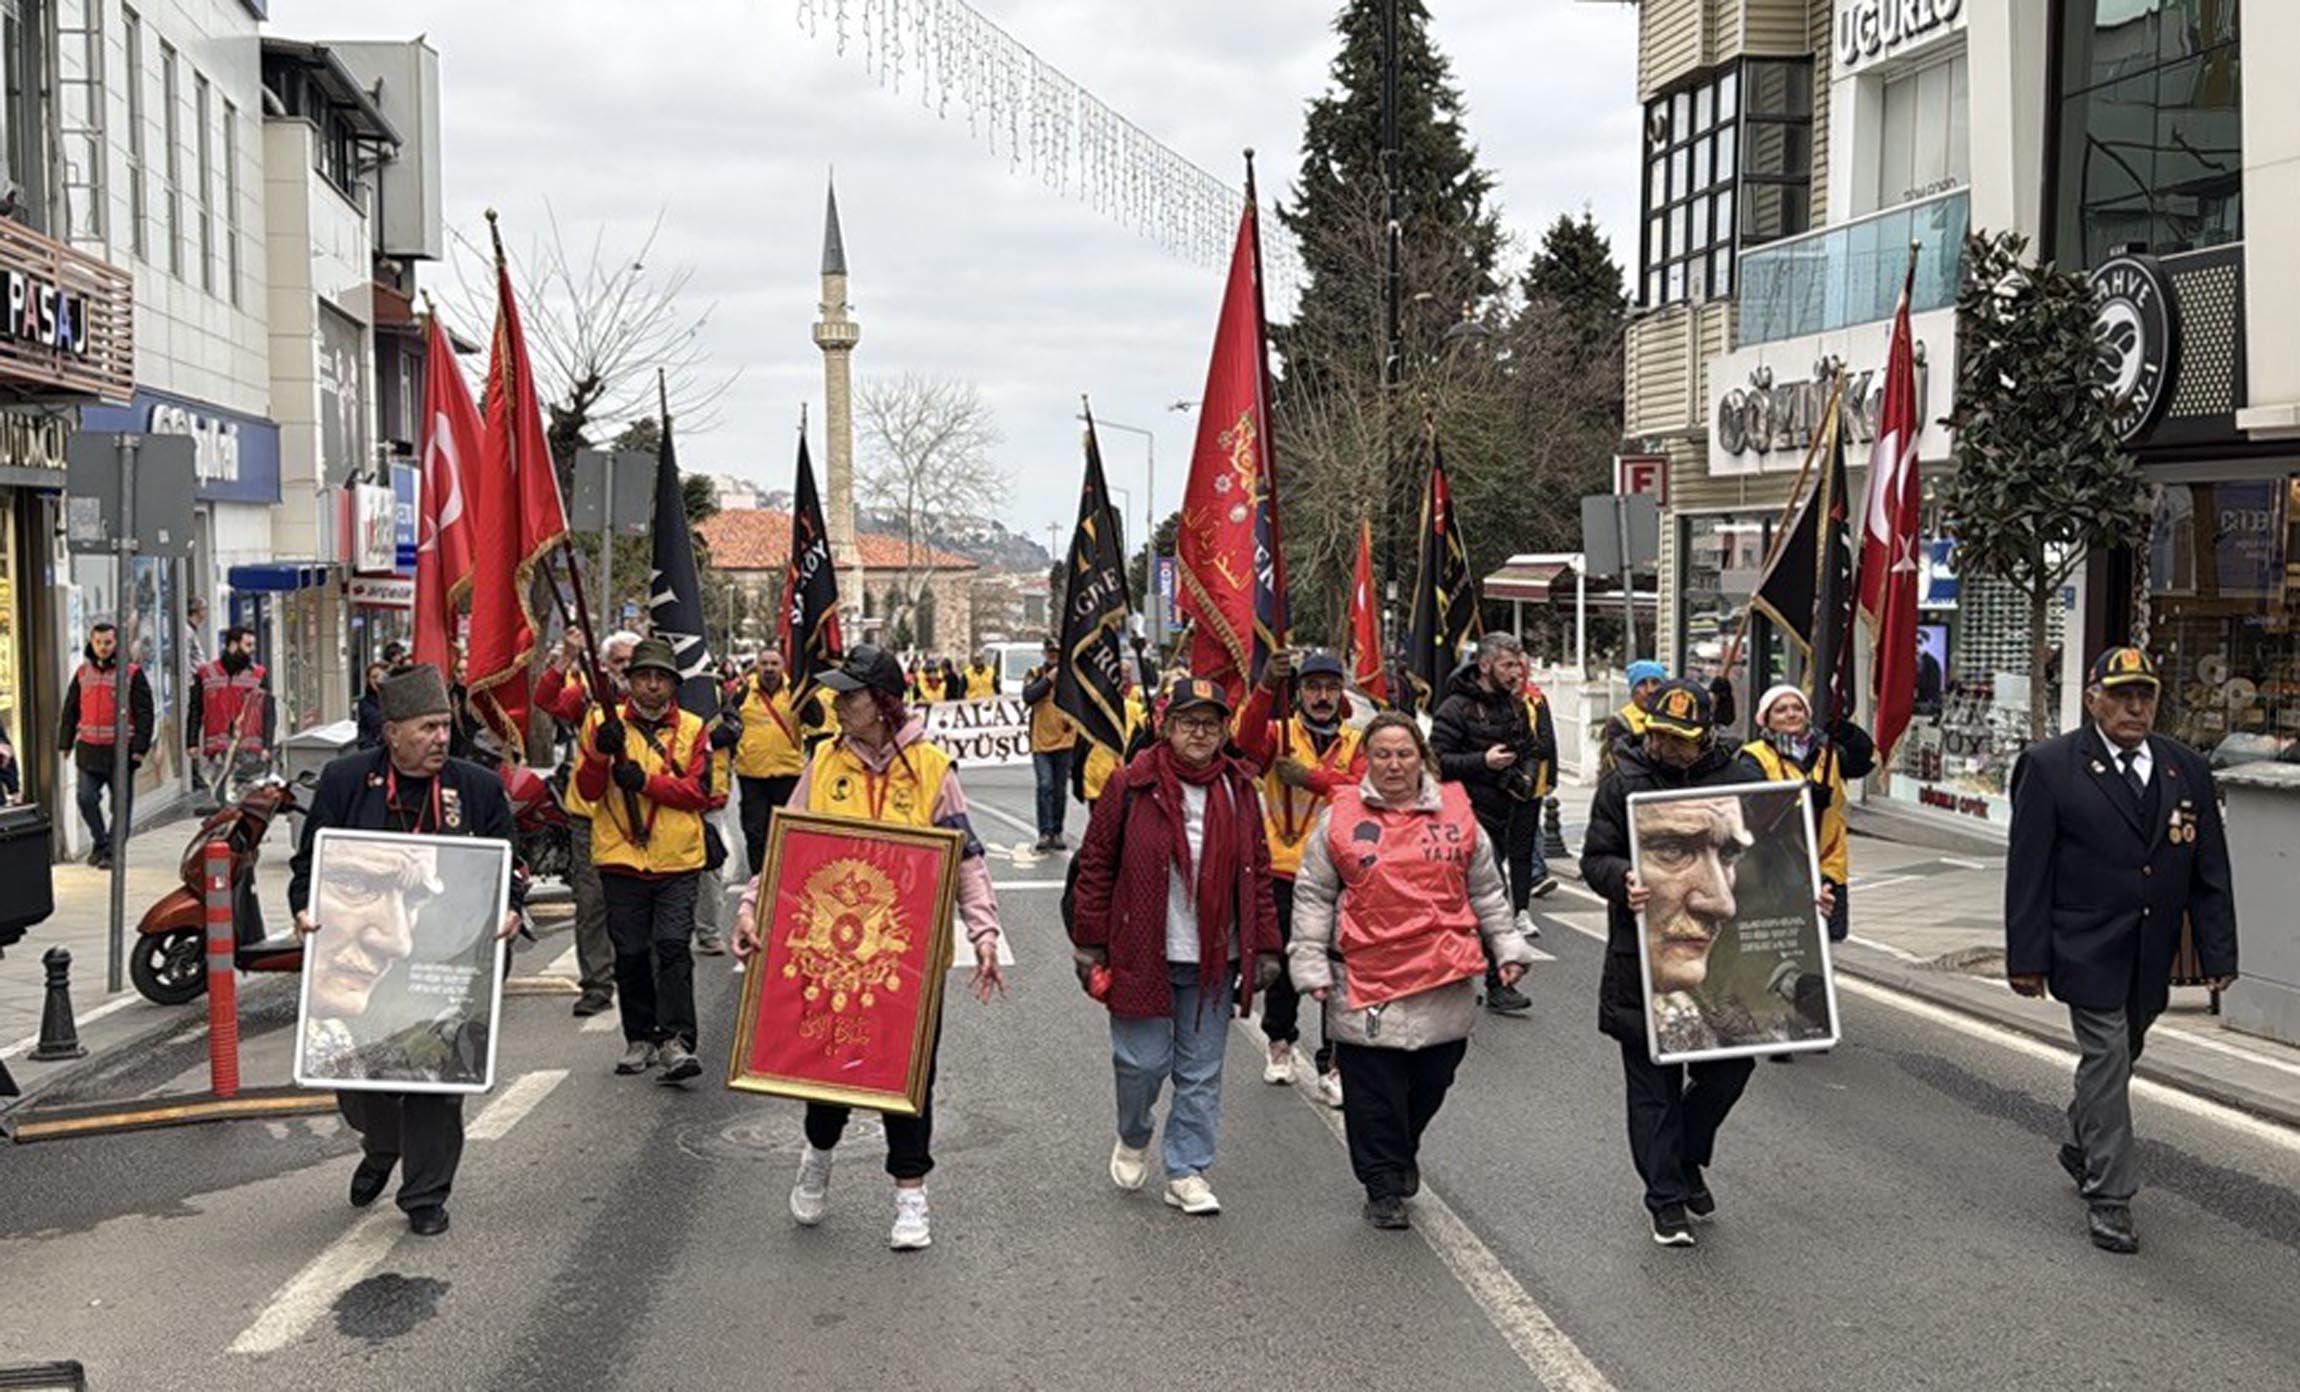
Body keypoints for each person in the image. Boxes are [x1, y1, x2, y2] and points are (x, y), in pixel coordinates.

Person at [732, 643, 1007, 1251]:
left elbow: (967, 857)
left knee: (910, 1078)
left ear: (882, 703)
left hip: (907, 961)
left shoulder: (933, 768)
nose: (837, 704)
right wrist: (751, 906)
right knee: (827, 1068)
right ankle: (818, 1154)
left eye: (849, 695)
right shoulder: (823, 763)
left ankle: (911, 1194)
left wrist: (984, 932)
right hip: (832, 953)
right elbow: (786, 849)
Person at [2006, 646, 2238, 1255]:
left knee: (2121, 1052)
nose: (2135, 708)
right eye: (2121, 695)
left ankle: (2081, 1138)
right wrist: (2026, 958)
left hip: (2151, 949)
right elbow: (2028, 870)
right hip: (2084, 945)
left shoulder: (2186, 768)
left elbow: (2210, 870)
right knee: (2108, 1055)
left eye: (2145, 695)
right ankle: (2111, 1195)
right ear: (2093, 701)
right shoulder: (2050, 767)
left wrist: (2218, 954)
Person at [1582, 678, 1822, 1248]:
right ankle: (1666, 1198)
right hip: (1644, 957)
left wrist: (1808, 897)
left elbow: (1773, 860)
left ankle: (1686, 1154)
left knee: (1730, 1069)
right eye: (1659, 735)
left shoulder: (1740, 779)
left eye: (1681, 740)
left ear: (1707, 736)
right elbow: (1595, 857)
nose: (1667, 747)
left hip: (1723, 958)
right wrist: (1622, 879)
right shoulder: (1623, 781)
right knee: (1653, 1086)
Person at [288, 664, 521, 1237]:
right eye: (426, 728)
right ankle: (382, 1146)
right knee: (359, 1075)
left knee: (436, 1078)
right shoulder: (346, 781)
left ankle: (425, 1196)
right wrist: (303, 909)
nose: (440, 738)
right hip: (367, 959)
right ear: (392, 733)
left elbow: (508, 867)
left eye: (445, 726)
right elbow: (310, 865)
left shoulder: (478, 787)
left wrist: (512, 907)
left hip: (448, 961)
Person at [1287, 713, 1534, 1228]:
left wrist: (1507, 947)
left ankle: (1401, 1149)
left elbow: (1486, 890)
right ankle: (1382, 1184)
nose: (1394, 764)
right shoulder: (1340, 819)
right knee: (1372, 1092)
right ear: (1367, 760)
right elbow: (1314, 895)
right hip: (1365, 978)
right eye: (1382, 754)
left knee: (1432, 1078)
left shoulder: (1457, 817)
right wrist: (1309, 962)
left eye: (1404, 754)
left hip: (1442, 976)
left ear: (1422, 757)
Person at [1067, 674, 1281, 1218]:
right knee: (1141, 1064)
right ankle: (1134, 1132)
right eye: (1188, 723)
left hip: (1213, 958)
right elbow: (1096, 865)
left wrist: (1266, 946)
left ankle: (1187, 1170)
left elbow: (1256, 872)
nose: (1199, 733)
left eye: (1210, 724)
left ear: (1224, 732)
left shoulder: (1239, 789)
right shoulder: (1130, 784)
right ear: (1166, 727)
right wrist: (1089, 942)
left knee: (1201, 1073)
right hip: (1142, 951)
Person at [574, 637, 713, 1084]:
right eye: (643, 677)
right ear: (629, 681)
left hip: (677, 859)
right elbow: (588, 790)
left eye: (661, 678)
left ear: (673, 684)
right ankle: (640, 1037)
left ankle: (677, 1040)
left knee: (672, 947)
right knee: (630, 952)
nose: (652, 685)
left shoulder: (693, 727)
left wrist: (647, 783)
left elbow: (700, 792)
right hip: (621, 857)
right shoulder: (601, 720)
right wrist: (600, 753)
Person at [1235, 648, 1365, 1105]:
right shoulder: (1278, 733)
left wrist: (1310, 778)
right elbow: (1244, 745)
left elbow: (1365, 792)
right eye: (1312, 687)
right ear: (1299, 694)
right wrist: (1266, 685)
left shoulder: (1356, 742)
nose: (1322, 696)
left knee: (1338, 970)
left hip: (1340, 874)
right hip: (1285, 869)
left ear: (1341, 692)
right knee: (1286, 968)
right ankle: (1280, 1042)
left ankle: (1334, 1062)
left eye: (1330, 687)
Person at [1428, 632, 1553, 1015]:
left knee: (1487, 901)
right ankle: (1491, 983)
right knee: (1486, 899)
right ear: (1485, 666)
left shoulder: (1514, 706)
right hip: (1462, 819)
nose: (1516, 672)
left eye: (1518, 664)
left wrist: (1524, 777)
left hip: (1503, 814)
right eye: (1507, 665)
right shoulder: (1455, 708)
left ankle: (1487, 981)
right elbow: (1436, 762)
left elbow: (1529, 747)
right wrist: (1482, 762)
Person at [535, 629, 638, 1018]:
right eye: (618, 661)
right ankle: (596, 985)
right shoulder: (587, 699)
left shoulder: (656, 698)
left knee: (635, 905)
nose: (626, 669)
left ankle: (637, 980)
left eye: (631, 661)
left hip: (639, 817)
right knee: (592, 903)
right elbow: (545, 700)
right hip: (591, 818)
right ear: (605, 665)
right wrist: (566, 657)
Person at [1736, 686, 1874, 949]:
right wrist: (1805, 803)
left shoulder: (1827, 750)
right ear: (1766, 719)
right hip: (1779, 868)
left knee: (1824, 945)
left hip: (1827, 864)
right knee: (1786, 942)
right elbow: (1755, 812)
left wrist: (1848, 733)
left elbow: (1863, 762)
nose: (1791, 714)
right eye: (1781, 710)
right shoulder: (1754, 758)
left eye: (1797, 708)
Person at [57, 622, 154, 868]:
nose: (103, 647)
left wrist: (140, 749)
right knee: (86, 799)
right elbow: (70, 710)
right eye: (98, 642)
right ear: (91, 642)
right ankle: (100, 841)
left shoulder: (131, 673)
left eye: (108, 642)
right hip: (89, 750)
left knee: (119, 807)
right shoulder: (82, 673)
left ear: (116, 643)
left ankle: (113, 852)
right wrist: (65, 742)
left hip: (121, 752)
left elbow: (144, 713)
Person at [729, 647, 806, 877]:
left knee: (788, 834)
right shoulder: (743, 693)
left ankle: (786, 878)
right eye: (764, 664)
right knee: (756, 833)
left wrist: (807, 694)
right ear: (757, 666)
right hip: (752, 775)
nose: (769, 669)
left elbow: (816, 720)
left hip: (788, 774)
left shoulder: (795, 691)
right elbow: (729, 722)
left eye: (774, 664)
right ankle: (759, 881)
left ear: (783, 667)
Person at [187, 625, 272, 794]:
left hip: (249, 748)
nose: (252, 650)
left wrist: (268, 745)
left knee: (245, 796)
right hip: (217, 748)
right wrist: (192, 741)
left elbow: (268, 713)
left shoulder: (258, 674)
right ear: (233, 645)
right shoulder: (205, 673)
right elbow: (196, 709)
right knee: (221, 796)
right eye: (248, 645)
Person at [1020, 638, 1077, 852]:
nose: (1053, 655)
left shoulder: (1070, 677)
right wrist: (1049, 680)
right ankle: (1044, 832)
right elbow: (1029, 696)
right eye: (1050, 652)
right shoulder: (1034, 673)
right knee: (1045, 785)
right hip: (1040, 741)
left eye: (1057, 652)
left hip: (1064, 740)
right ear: (1044, 653)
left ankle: (1057, 831)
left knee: (1060, 790)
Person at [1600, 660, 1666, 773]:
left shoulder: (1670, 718)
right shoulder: (1619, 721)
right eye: (1642, 683)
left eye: (1655, 683)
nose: (1650, 690)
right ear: (1632, 689)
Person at [355, 661, 390, 751]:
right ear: (369, 680)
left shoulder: (395, 698)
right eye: (373, 677)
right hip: (372, 749)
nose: (377, 680)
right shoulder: (365, 702)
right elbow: (377, 722)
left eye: (380, 677)